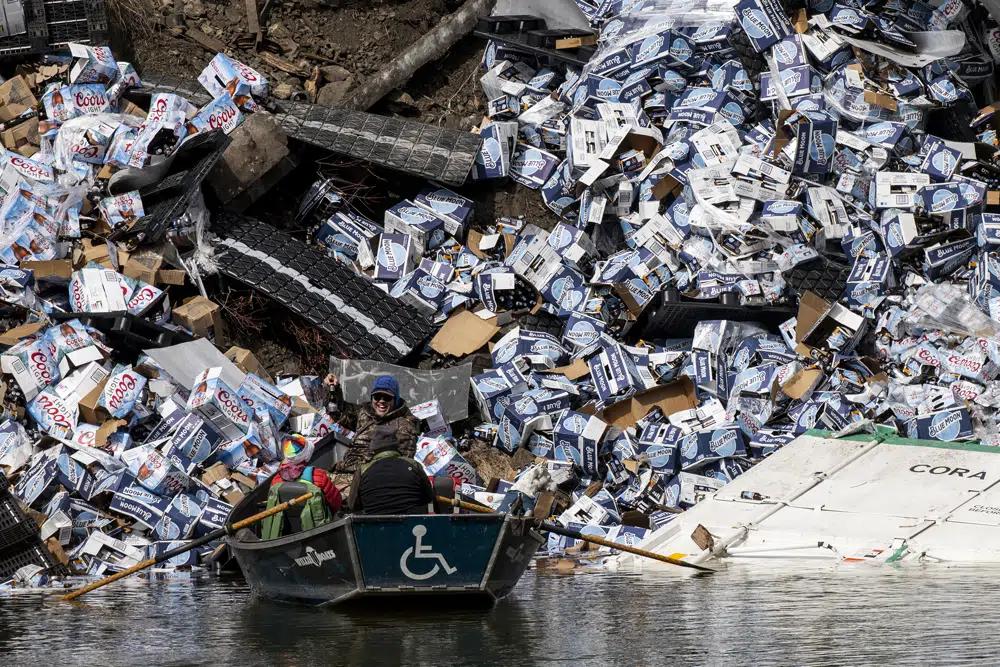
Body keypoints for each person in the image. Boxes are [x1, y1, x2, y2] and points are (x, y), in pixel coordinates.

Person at [327, 374, 420, 474]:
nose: (381, 401)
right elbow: (339, 412)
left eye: (387, 397)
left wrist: (344, 468)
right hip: (345, 469)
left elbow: (399, 467)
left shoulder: (404, 426)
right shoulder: (366, 413)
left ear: (395, 400)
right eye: (377, 396)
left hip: (368, 477)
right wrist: (334, 388)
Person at [261, 434, 343, 539]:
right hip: (317, 529)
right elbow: (336, 503)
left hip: (287, 531)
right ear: (306, 455)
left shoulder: (276, 481)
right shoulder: (319, 477)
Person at [348, 425, 434, 516]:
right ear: (396, 444)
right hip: (412, 526)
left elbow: (352, 505)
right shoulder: (413, 465)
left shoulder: (362, 470)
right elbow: (428, 496)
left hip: (376, 526)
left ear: (373, 448)